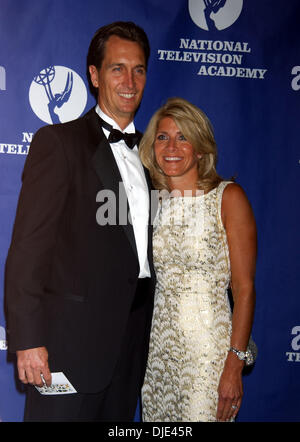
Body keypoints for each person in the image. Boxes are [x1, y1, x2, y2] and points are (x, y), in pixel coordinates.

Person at [5, 21, 155, 422]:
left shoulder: (155, 156)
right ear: (93, 74)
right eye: (116, 68)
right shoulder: (59, 143)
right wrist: (28, 340)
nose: (129, 80)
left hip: (131, 346)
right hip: (67, 346)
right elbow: (27, 250)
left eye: (138, 69)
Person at [139, 97, 256, 422]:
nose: (171, 146)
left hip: (208, 353)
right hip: (156, 354)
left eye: (183, 137)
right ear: (152, 146)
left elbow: (244, 289)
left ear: (201, 148)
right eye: (163, 137)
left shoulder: (229, 197)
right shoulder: (150, 204)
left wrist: (234, 363)